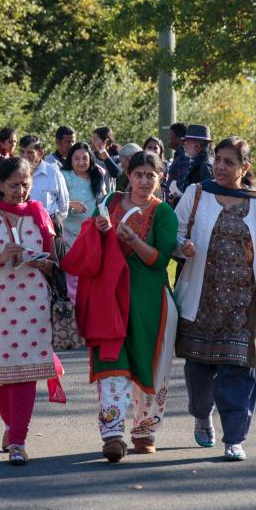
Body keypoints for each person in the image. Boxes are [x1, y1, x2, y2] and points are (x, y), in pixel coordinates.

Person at [174, 136, 256, 462]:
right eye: (218, 160)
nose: (221, 167)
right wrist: (180, 245)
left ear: (244, 168)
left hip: (244, 304)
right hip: (201, 301)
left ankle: (235, 438)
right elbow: (176, 230)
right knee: (198, 371)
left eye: (229, 162)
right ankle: (201, 414)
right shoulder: (197, 194)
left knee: (239, 371)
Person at [0, 157, 62, 465]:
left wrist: (42, 263)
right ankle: (10, 425)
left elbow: (55, 265)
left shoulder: (39, 214)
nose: (20, 191)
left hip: (31, 304)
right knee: (0, 373)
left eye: (26, 184)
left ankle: (18, 439)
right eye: (13, 185)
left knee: (25, 372)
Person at [81, 151, 180, 462]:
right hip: (109, 297)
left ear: (160, 178)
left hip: (150, 302)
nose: (143, 180)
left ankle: (144, 430)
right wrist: (98, 228)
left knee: (151, 366)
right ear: (128, 174)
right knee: (112, 363)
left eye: (151, 175)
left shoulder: (163, 213)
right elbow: (90, 238)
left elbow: (159, 260)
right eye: (138, 174)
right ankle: (111, 433)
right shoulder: (110, 201)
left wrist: (133, 241)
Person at [61, 142, 108, 249]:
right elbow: (54, 203)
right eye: (77, 158)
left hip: (94, 233)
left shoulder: (97, 173)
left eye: (85, 158)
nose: (81, 162)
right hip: (70, 236)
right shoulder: (64, 175)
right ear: (70, 160)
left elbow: (103, 201)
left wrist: (106, 223)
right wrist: (70, 204)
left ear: (90, 159)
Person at [19, 135, 69, 229]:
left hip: (50, 225)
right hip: (22, 226)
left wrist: (53, 222)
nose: (24, 156)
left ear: (40, 153)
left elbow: (64, 204)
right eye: (22, 151)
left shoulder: (53, 173)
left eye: (30, 152)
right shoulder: (15, 173)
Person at [165, 122, 190, 205]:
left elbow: (182, 187)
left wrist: (171, 201)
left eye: (171, 135)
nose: (168, 137)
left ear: (179, 138)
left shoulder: (184, 157)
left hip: (177, 207)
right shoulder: (180, 155)